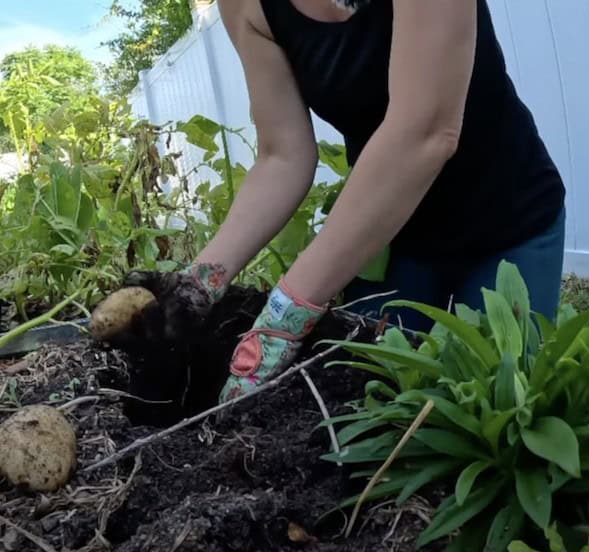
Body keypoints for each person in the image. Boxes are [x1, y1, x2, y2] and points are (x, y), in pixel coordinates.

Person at [124, 0, 566, 403]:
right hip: (386, 238)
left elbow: (427, 132)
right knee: (366, 406)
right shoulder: (246, 5)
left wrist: (285, 314)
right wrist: (199, 284)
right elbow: (283, 155)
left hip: (509, 225)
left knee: (491, 410)